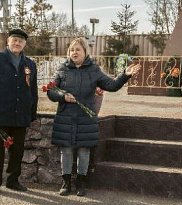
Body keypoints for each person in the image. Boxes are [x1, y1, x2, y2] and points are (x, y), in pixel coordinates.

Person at [47, 37, 140, 196]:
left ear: (85, 52)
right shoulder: (62, 69)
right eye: (72, 50)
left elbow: (112, 85)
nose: (74, 52)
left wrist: (125, 75)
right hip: (66, 117)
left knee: (84, 151)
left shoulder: (94, 70)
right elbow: (51, 90)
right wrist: (62, 96)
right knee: (66, 151)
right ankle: (66, 183)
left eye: (78, 49)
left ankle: (81, 183)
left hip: (86, 118)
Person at [0, 28, 38, 196]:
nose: (17, 43)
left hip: (21, 115)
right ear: (8, 41)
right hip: (0, 114)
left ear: (25, 44)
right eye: (14, 40)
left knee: (17, 151)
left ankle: (13, 181)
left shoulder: (30, 64)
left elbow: (32, 90)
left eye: (21, 41)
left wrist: (32, 113)